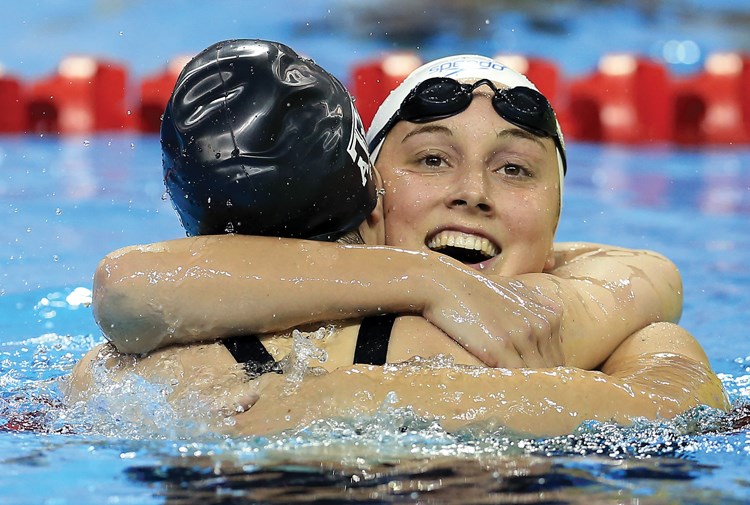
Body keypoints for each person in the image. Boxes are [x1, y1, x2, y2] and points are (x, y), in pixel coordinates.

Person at [66, 40, 727, 436]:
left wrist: (338, 400)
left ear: (556, 221)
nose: (472, 191)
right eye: (433, 159)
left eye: (515, 169)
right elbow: (128, 287)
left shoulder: (621, 334)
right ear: (370, 195)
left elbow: (682, 405)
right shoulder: (183, 340)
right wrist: (427, 280)